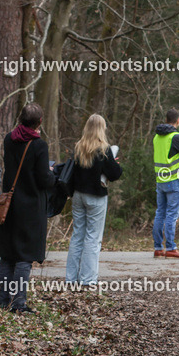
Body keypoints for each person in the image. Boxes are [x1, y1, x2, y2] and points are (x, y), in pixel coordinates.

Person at [0, 103, 55, 313]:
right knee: (24, 256)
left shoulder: (8, 140)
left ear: (20, 119)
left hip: (10, 205)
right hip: (30, 207)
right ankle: (19, 303)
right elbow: (43, 179)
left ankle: (3, 300)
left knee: (7, 253)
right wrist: (51, 172)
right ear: (39, 122)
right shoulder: (40, 146)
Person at [66, 114, 122, 284]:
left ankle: (71, 278)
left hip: (78, 195)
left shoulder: (79, 147)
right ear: (101, 129)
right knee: (93, 238)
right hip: (96, 197)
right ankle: (88, 279)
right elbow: (115, 174)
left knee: (77, 236)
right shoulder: (104, 149)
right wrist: (114, 163)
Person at [152, 109, 179, 259]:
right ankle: (170, 247)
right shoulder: (175, 136)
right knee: (171, 214)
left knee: (160, 212)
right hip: (174, 180)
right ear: (178, 120)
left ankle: (157, 248)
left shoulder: (157, 137)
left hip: (160, 180)